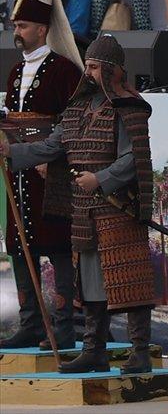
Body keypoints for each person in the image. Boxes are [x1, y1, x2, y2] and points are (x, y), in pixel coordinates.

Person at [1, 34, 156, 374]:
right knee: (89, 285)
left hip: (120, 211)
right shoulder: (76, 111)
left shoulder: (128, 110)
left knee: (130, 281)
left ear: (113, 71)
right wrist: (13, 153)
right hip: (85, 212)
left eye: (95, 66)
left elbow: (133, 160)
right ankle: (93, 350)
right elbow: (52, 146)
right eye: (87, 65)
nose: (88, 72)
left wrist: (99, 179)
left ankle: (140, 352)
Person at [0, 0, 81, 353]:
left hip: (51, 174)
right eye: (16, 24)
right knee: (20, 247)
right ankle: (31, 324)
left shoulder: (65, 70)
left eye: (25, 25)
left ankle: (64, 328)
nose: (18, 30)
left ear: (43, 28)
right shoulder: (15, 73)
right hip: (18, 173)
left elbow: (74, 119)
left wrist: (54, 160)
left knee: (59, 247)